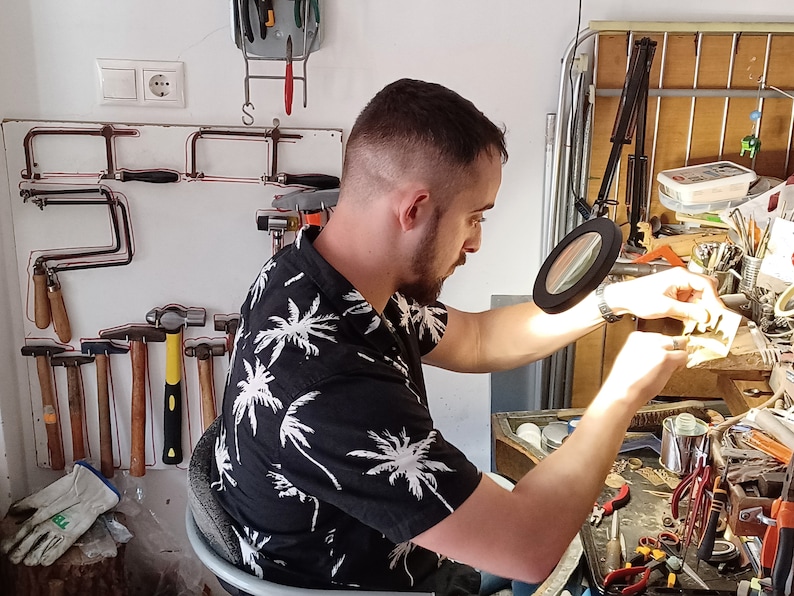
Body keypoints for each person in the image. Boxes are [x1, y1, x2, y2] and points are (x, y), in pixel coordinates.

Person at [209, 78, 723, 595]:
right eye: (474, 217)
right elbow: (527, 547)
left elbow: (478, 338)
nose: (475, 242)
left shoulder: (314, 274)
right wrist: (623, 394)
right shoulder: (330, 383)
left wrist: (618, 300)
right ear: (413, 209)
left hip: (386, 547)